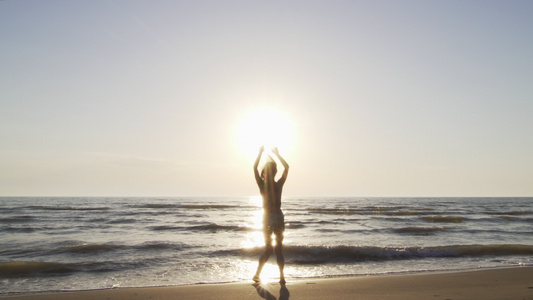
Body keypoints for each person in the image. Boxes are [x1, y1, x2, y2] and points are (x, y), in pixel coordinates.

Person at [253, 146, 289, 284]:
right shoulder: (279, 185)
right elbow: (287, 168)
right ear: (274, 173)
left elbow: (254, 169)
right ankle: (281, 277)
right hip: (278, 218)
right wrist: (278, 155)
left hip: (267, 218)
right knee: (278, 249)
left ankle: (257, 274)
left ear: (266, 174)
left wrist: (259, 153)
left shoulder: (262, 185)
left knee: (268, 249)